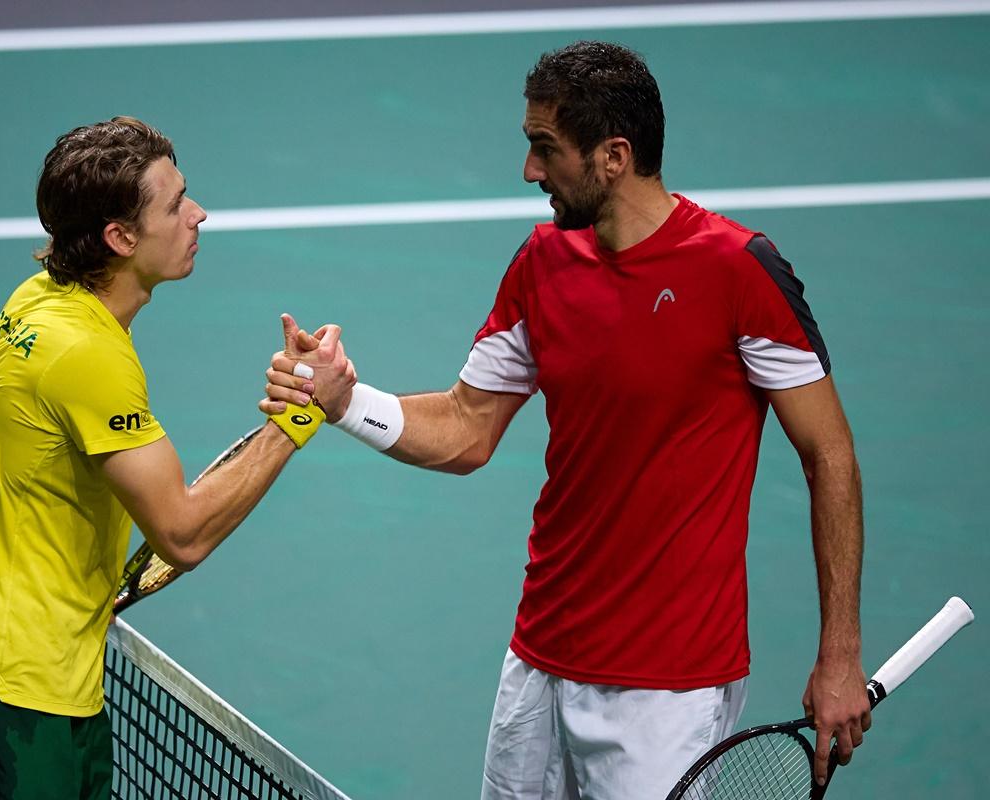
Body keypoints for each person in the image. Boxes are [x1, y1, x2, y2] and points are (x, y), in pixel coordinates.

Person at [262, 41, 870, 799]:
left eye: (545, 149)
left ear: (613, 156)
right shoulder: (543, 262)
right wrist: (345, 401)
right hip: (540, 660)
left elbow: (829, 456)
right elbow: (465, 425)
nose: (529, 172)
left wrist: (839, 652)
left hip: (666, 684)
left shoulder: (738, 269)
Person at [0, 116, 351, 799]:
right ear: (120, 238)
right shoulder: (89, 354)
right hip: (26, 696)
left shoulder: (36, 300)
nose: (198, 214)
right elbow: (182, 532)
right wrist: (298, 415)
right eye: (174, 205)